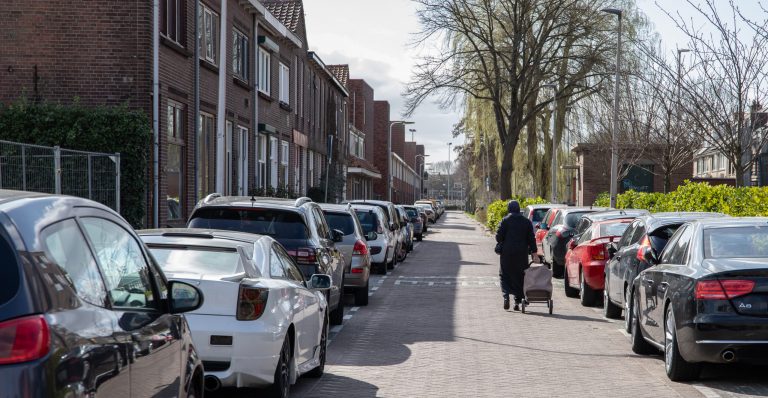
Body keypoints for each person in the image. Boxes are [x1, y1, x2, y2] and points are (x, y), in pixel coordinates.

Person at [495, 200, 537, 311]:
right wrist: (534, 253)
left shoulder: (505, 221)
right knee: (520, 276)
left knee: (504, 275)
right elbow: (531, 239)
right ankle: (518, 301)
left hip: (507, 254)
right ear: (519, 209)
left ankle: (506, 297)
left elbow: (498, 237)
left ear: (509, 209)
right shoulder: (526, 222)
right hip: (521, 254)